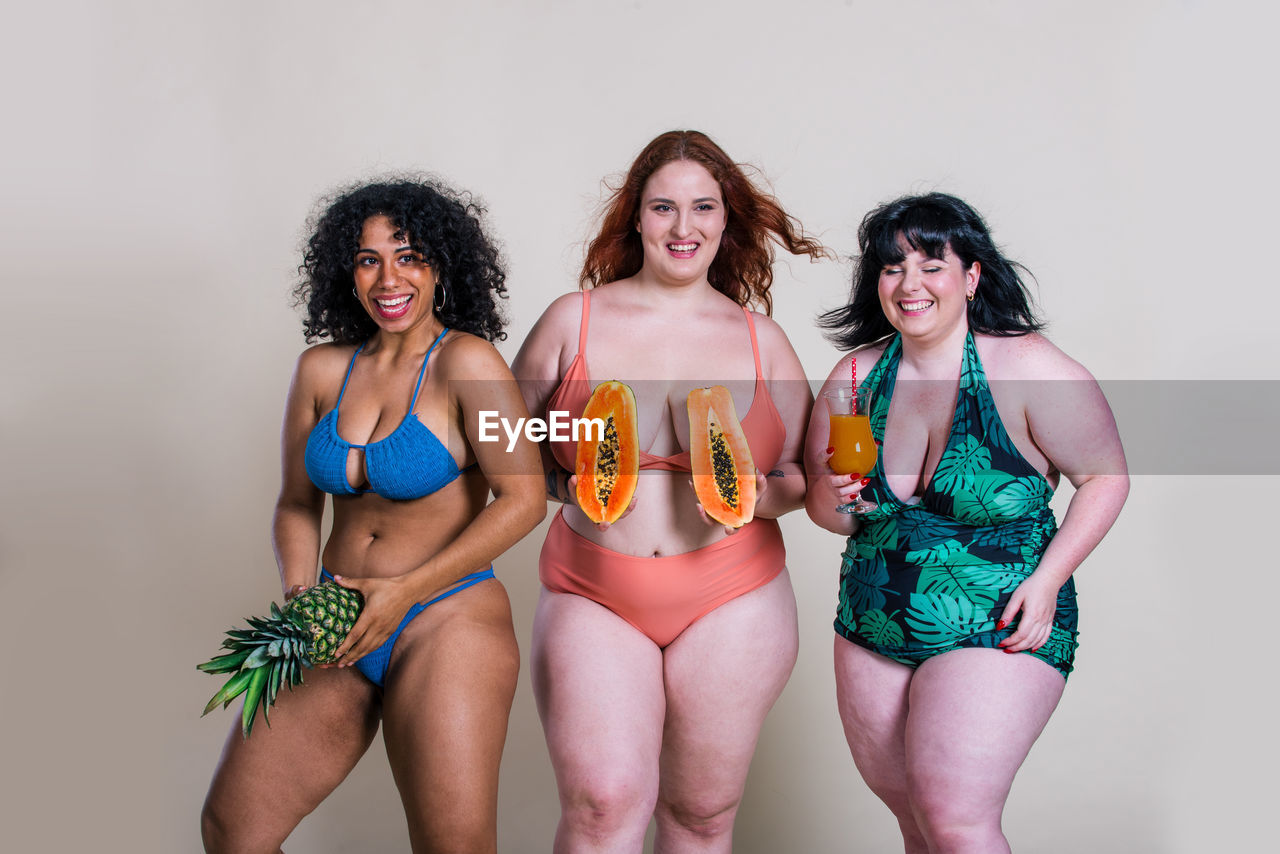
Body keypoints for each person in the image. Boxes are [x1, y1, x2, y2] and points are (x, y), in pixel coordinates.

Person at [200, 179, 545, 854]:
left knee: (454, 845)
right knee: (232, 827)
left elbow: (525, 497)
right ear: (345, 271)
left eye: (409, 255)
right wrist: (303, 596)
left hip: (444, 615)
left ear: (441, 265)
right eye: (367, 259)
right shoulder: (321, 371)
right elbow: (297, 504)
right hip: (334, 616)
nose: (389, 277)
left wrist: (404, 593)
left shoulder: (473, 364)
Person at [513, 130, 829, 852]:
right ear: (636, 218)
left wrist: (749, 491)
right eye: (663, 208)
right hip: (593, 590)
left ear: (726, 221)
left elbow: (800, 480)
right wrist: (566, 480)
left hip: (732, 597)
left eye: (702, 208)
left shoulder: (762, 340)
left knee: (702, 816)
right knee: (601, 807)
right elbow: (497, 437)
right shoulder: (574, 319)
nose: (683, 228)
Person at [805, 192, 1128, 853]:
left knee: (955, 815)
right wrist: (843, 497)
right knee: (918, 824)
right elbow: (833, 515)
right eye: (892, 268)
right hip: (874, 619)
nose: (910, 284)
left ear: (971, 275)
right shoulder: (856, 377)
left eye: (931, 264)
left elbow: (1106, 477)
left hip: (999, 612)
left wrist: (1049, 580)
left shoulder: (1026, 366)